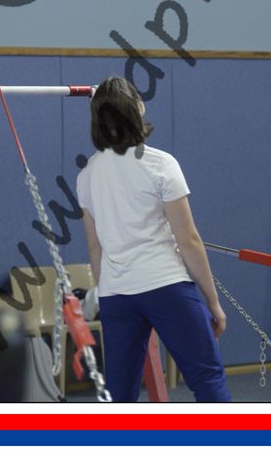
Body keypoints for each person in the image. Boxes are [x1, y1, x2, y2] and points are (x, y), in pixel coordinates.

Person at [75, 76, 231, 402]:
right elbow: (188, 239)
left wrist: (107, 294)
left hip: (117, 294)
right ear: (137, 108)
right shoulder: (161, 164)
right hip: (165, 285)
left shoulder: (87, 174)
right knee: (207, 379)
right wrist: (213, 302)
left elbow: (94, 245)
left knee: (120, 395)